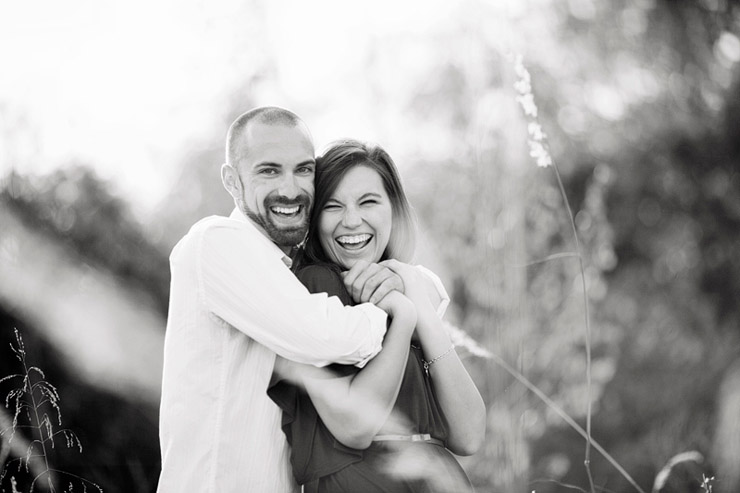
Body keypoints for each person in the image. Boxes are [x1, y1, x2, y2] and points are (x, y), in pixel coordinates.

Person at [157, 107, 443, 492]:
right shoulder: (216, 242)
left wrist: (404, 279)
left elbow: (430, 291)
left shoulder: (289, 268)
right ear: (232, 180)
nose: (290, 189)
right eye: (269, 170)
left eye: (303, 169)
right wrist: (394, 307)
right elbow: (324, 335)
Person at [268, 139, 487, 492]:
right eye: (333, 206)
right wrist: (402, 319)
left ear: (394, 210)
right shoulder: (316, 285)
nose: (351, 221)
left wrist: (417, 305)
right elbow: (353, 427)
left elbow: (470, 434)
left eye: (368, 202)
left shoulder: (406, 285)